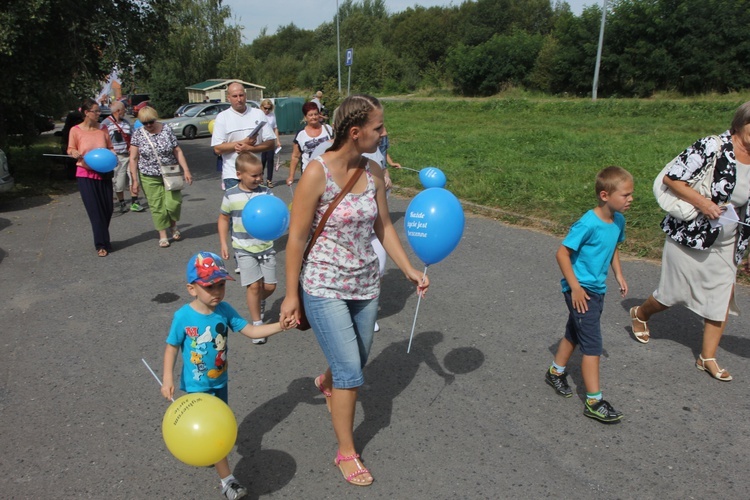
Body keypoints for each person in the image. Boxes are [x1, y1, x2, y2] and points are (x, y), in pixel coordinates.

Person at [280, 94, 429, 486]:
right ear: (355, 132)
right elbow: (296, 237)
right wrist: (292, 294)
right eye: (379, 128)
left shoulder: (375, 171)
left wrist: (410, 269)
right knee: (351, 372)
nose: (384, 133)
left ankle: (327, 382)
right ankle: (346, 451)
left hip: (365, 283)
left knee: (355, 361)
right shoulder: (317, 173)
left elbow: (384, 226)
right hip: (323, 284)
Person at [629, 102, 750, 382]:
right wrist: (703, 203)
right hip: (692, 232)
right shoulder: (713, 145)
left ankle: (707, 357)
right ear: (741, 123)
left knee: (720, 299)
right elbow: (672, 179)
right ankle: (641, 312)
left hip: (728, 240)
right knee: (671, 294)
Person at [161, 251, 295, 500]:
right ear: (192, 289)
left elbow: (252, 332)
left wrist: (280, 326)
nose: (217, 292)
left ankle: (210, 452)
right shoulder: (183, 317)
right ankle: (228, 481)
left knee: (218, 429)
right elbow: (171, 346)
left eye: (221, 285)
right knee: (213, 431)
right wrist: (167, 378)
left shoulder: (225, 310)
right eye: (209, 286)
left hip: (220, 382)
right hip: (197, 387)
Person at [545, 166, 632, 423]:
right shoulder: (588, 223)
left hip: (596, 288)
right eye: (625, 195)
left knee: (576, 330)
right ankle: (594, 401)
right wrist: (575, 288)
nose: (630, 199)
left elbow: (613, 247)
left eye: (631, 194)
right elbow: (562, 253)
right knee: (592, 344)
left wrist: (618, 274)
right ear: (605, 195)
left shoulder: (618, 220)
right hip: (581, 290)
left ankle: (555, 372)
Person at [218, 152, 278, 345]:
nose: (259, 178)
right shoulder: (231, 194)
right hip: (243, 248)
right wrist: (223, 243)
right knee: (253, 286)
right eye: (254, 175)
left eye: (260, 174)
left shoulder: (266, 193)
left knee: (269, 286)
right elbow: (223, 218)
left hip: (265, 246)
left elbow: (275, 213)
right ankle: (257, 324)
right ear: (239, 174)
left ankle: (259, 301)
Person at [129, 106, 193, 248]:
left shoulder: (167, 129)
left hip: (170, 172)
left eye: (151, 122)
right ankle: (163, 234)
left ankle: (173, 225)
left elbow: (177, 150)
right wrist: (134, 180)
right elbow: (133, 158)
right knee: (157, 206)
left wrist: (186, 170)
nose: (149, 125)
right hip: (149, 175)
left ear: (155, 118)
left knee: (173, 203)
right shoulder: (138, 134)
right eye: (145, 123)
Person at [67, 98, 116, 257]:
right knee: (95, 211)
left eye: (99, 111)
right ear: (86, 113)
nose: (98, 114)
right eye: (95, 111)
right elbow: (70, 148)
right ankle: (101, 244)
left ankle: (103, 237)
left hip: (104, 173)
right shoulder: (75, 130)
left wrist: (113, 156)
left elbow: (110, 148)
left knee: (107, 209)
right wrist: (74, 152)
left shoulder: (103, 129)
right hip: (85, 174)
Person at [211, 82, 276, 191]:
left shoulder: (258, 114)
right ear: (228, 98)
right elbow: (217, 148)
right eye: (235, 96)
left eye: (241, 95)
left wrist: (251, 149)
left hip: (255, 175)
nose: (239, 99)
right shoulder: (222, 117)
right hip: (232, 175)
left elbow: (271, 143)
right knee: (237, 207)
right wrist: (244, 142)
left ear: (245, 96)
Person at [100, 101, 145, 213]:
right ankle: (122, 202)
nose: (125, 112)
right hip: (117, 157)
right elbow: (102, 140)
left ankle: (134, 201)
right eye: (124, 110)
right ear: (118, 111)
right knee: (118, 181)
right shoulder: (105, 124)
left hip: (130, 156)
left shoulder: (126, 122)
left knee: (134, 178)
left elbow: (134, 135)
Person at [285, 102, 334, 186]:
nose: (314, 117)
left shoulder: (328, 129)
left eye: (316, 114)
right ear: (305, 117)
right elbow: (295, 157)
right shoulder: (301, 134)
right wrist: (291, 176)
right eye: (310, 115)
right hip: (309, 174)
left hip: (329, 172)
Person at [258, 99, 281, 188]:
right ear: (262, 107)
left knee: (270, 159)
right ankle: (260, 177)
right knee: (262, 160)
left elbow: (275, 128)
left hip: (270, 140)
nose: (267, 110)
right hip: (261, 140)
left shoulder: (272, 116)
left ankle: (269, 180)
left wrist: (278, 141)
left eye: (269, 108)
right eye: (265, 108)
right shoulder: (259, 115)